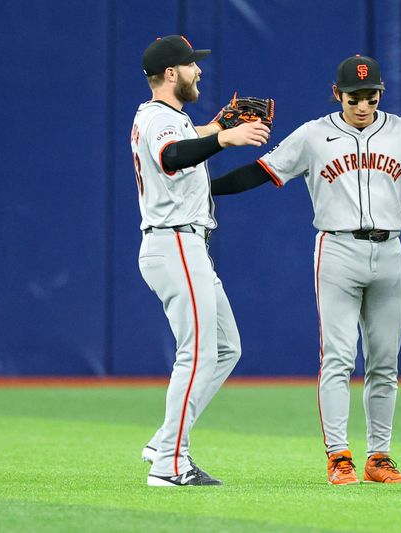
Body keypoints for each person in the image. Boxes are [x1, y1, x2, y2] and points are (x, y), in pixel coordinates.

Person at [208, 55, 401, 485]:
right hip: (338, 251)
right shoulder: (314, 134)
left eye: (371, 97)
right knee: (338, 358)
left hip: (390, 252)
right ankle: (338, 456)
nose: (363, 105)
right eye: (354, 97)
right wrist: (208, 188)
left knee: (385, 361)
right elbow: (262, 170)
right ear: (337, 94)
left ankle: (379, 458)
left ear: (380, 94)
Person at [130, 35, 270, 487]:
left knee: (227, 348)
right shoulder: (156, 117)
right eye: (192, 66)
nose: (199, 72)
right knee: (196, 353)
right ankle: (171, 463)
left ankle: (164, 440)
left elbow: (185, 142)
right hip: (173, 244)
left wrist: (212, 128)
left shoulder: (173, 119)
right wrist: (225, 137)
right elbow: (172, 156)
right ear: (171, 73)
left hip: (186, 246)